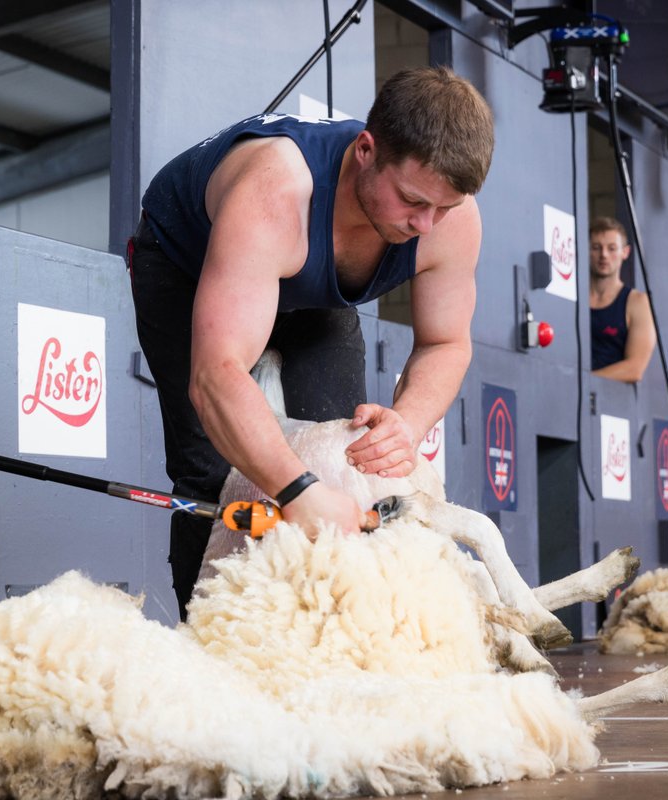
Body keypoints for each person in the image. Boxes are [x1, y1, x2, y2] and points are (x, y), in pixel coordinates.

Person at [128, 67, 494, 616]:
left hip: (311, 289)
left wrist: (408, 425)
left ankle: (318, 650)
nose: (426, 224)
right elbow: (216, 375)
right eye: (412, 200)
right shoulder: (276, 188)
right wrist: (296, 490)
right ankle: (209, 649)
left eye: (444, 208)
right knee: (219, 472)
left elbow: (445, 342)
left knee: (343, 463)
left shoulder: (450, 219)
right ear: (366, 150)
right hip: (189, 263)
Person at [589, 217, 655, 383]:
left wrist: (585, 381)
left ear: (625, 252)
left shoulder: (637, 302)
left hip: (612, 402)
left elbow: (635, 369)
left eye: (612, 248)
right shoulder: (574, 299)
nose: (603, 255)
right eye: (596, 248)